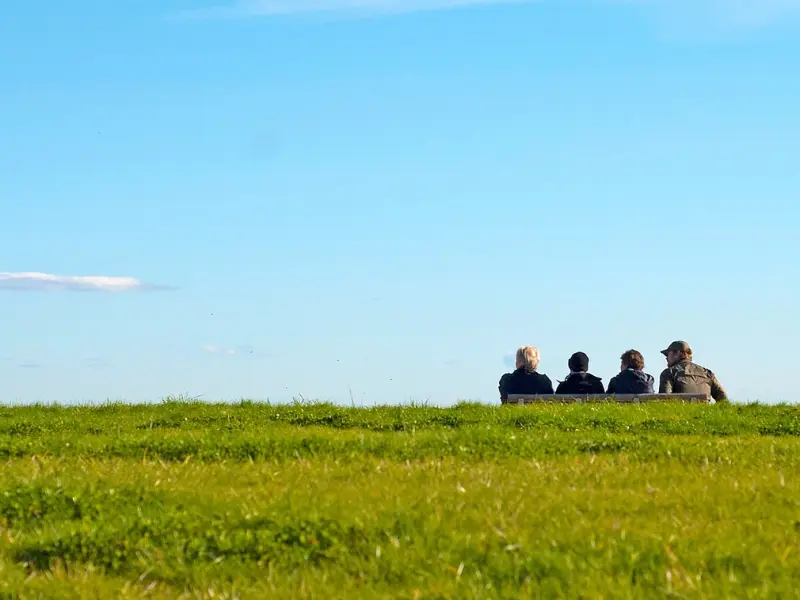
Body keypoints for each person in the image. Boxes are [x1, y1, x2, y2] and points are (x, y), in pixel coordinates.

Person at [658, 340, 728, 402]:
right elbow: (723, 398)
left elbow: (665, 400)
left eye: (667, 354)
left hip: (680, 414)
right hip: (704, 413)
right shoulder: (707, 373)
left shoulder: (668, 373)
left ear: (679, 353)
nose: (666, 358)